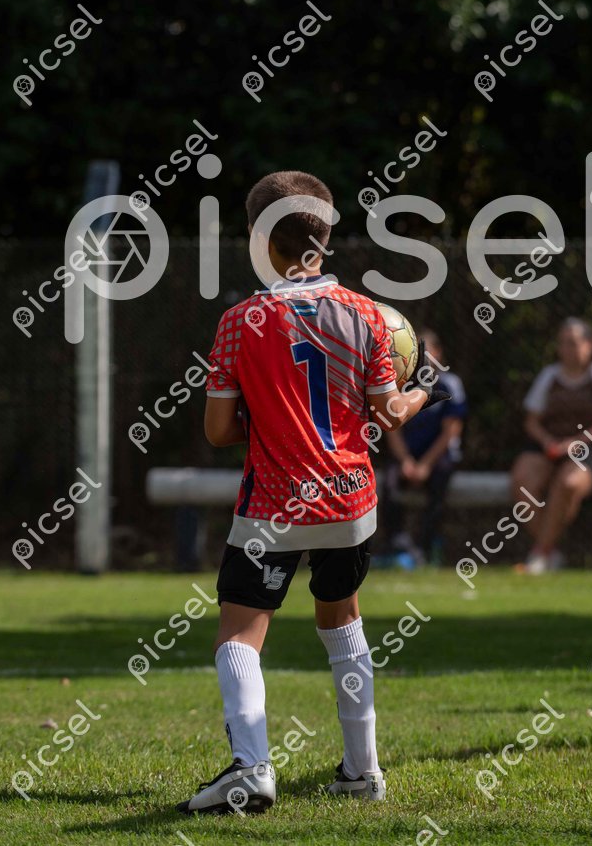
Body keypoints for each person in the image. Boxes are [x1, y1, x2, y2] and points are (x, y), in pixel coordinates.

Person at [177, 170, 448, 816]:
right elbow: (388, 414)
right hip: (350, 502)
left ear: (260, 237)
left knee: (239, 636)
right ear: (325, 238)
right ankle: (363, 771)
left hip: (274, 504)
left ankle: (251, 769)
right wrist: (422, 390)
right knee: (343, 622)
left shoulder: (240, 321)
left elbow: (218, 431)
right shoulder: (367, 314)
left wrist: (270, 418)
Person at [510, 317, 592, 575]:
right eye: (562, 343)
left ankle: (540, 554)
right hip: (552, 447)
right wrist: (547, 442)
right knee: (522, 478)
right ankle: (550, 552)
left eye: (573, 342)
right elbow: (531, 421)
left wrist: (577, 442)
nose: (567, 349)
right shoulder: (550, 375)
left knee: (569, 483)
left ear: (590, 344)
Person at [382, 329, 467, 564]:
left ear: (438, 353)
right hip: (407, 456)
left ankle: (426, 548)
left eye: (427, 351)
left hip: (438, 457)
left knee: (439, 482)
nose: (422, 357)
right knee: (389, 482)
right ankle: (397, 546)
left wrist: (426, 465)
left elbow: (451, 431)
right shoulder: (401, 384)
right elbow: (392, 427)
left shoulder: (449, 384)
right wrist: (406, 461)